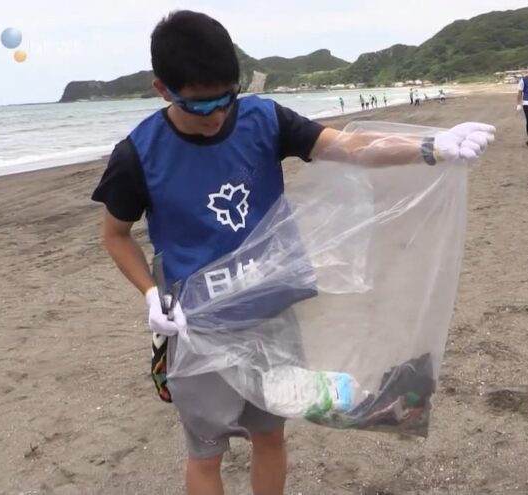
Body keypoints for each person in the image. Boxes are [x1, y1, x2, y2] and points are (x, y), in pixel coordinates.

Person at [90, 10, 495, 495]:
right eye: (200, 107)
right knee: (206, 451)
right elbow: (115, 234)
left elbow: (348, 147)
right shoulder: (139, 154)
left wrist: (429, 147)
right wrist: (150, 293)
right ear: (163, 91)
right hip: (197, 325)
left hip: (272, 309)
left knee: (271, 434)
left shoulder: (263, 120)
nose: (217, 116)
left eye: (226, 99)